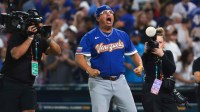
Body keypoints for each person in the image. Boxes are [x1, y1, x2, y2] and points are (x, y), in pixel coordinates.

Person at [75, 5, 143, 112]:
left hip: (120, 80)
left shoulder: (122, 35)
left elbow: (134, 54)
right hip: (99, 82)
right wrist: (89, 69)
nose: (109, 14)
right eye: (104, 12)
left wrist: (140, 65)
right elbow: (79, 57)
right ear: (97, 18)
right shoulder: (89, 36)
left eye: (111, 12)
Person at [0, 20, 61, 112]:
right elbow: (16, 55)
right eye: (34, 25)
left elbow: (57, 51)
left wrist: (47, 38)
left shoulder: (40, 39)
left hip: (28, 85)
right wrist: (30, 37)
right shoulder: (17, 35)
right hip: (11, 84)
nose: (36, 28)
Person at [142, 27, 178, 112]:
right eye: (155, 42)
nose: (157, 44)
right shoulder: (148, 55)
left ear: (164, 43)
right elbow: (144, 67)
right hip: (152, 88)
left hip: (166, 88)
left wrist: (162, 55)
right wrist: (146, 52)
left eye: (160, 42)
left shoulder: (167, 53)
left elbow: (171, 70)